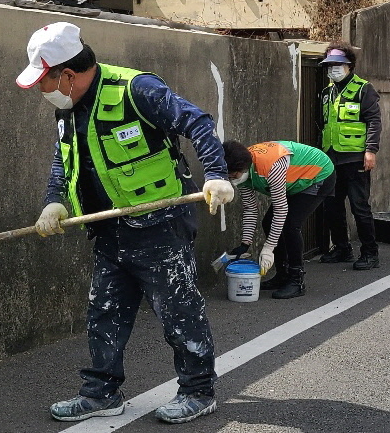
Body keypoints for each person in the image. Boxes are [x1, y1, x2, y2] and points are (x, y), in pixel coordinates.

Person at [17, 22, 234, 424]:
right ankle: (101, 392)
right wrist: (54, 202)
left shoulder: (136, 90)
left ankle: (198, 391)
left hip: (160, 224)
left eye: (45, 81)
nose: (43, 92)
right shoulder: (68, 109)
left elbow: (198, 123)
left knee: (178, 311)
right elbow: (63, 160)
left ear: (67, 74)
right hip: (109, 230)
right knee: (104, 311)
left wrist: (217, 173)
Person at [222, 140, 335, 299]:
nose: (231, 179)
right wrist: (244, 244)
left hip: (318, 173)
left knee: (290, 225)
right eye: (228, 176)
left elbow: (281, 209)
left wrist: (268, 248)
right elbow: (250, 209)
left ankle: (297, 280)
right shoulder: (241, 172)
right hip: (294, 180)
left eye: (233, 175)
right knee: (268, 222)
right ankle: (283, 275)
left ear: (243, 168)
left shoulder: (271, 167)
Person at [316, 43, 383, 270]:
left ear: (349, 66)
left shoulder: (364, 88)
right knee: (332, 205)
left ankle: (370, 253)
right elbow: (323, 124)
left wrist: (370, 151)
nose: (333, 69)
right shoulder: (327, 92)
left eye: (338, 65)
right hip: (330, 158)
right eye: (330, 65)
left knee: (359, 206)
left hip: (355, 158)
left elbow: (374, 121)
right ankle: (343, 248)